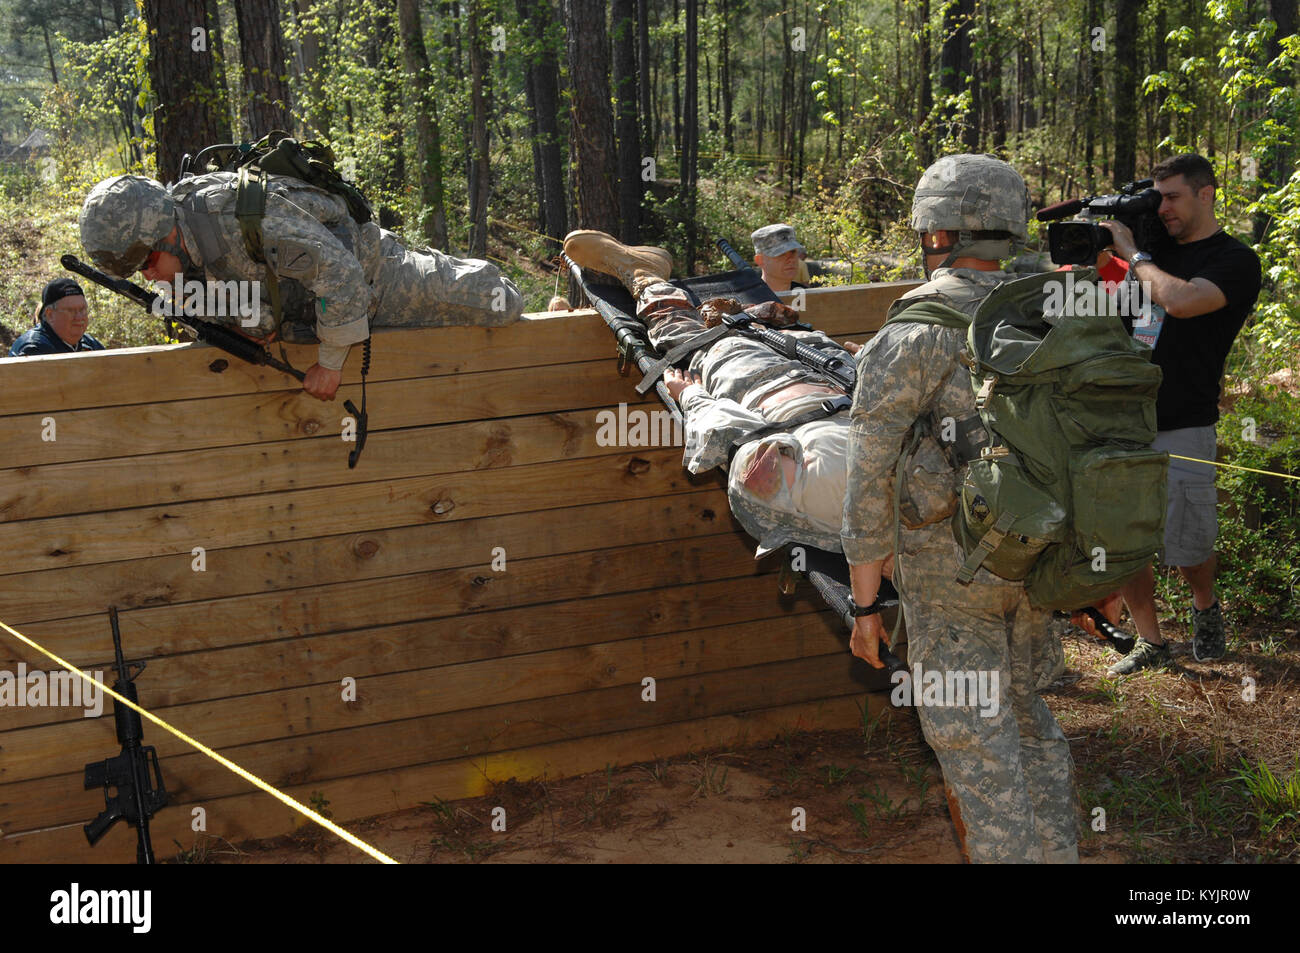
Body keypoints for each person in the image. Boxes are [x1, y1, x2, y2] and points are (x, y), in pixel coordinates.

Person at [841, 154, 1077, 863]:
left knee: (977, 739)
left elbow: (868, 470)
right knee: (1032, 723)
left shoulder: (919, 327)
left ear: (934, 231)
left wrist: (863, 605)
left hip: (956, 573)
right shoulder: (1058, 311)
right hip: (1045, 561)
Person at [78, 174, 524, 401]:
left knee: (499, 303)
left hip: (374, 273)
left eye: (150, 262)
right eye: (139, 272)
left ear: (168, 234)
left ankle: (446, 266)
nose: (150, 276)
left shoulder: (233, 223)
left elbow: (340, 273)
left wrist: (330, 364)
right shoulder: (183, 260)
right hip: (308, 312)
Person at [564, 228, 865, 554]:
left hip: (778, 381)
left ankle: (645, 276)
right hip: (815, 373)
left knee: (697, 343)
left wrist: (690, 396)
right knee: (716, 342)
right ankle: (743, 320)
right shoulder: (865, 505)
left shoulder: (831, 506)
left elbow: (740, 443)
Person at [1093, 154, 1262, 674]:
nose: (1163, 207)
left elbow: (1183, 302)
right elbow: (1102, 305)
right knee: (1124, 540)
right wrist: (1101, 260)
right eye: (1157, 197)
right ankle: (1151, 641)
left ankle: (1205, 607)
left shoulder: (1233, 259)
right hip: (1121, 420)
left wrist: (1134, 254)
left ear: (1206, 194)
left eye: (1173, 196)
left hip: (1185, 419)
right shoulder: (1149, 251)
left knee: (1189, 541)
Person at [8, 278, 105, 356]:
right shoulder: (33, 348)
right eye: (70, 310)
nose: (79, 317)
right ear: (50, 314)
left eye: (82, 310)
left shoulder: (89, 344)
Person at [751, 223, 807, 293]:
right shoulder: (746, 300)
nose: (791, 259)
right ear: (760, 260)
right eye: (781, 254)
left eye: (793, 252)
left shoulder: (809, 298)